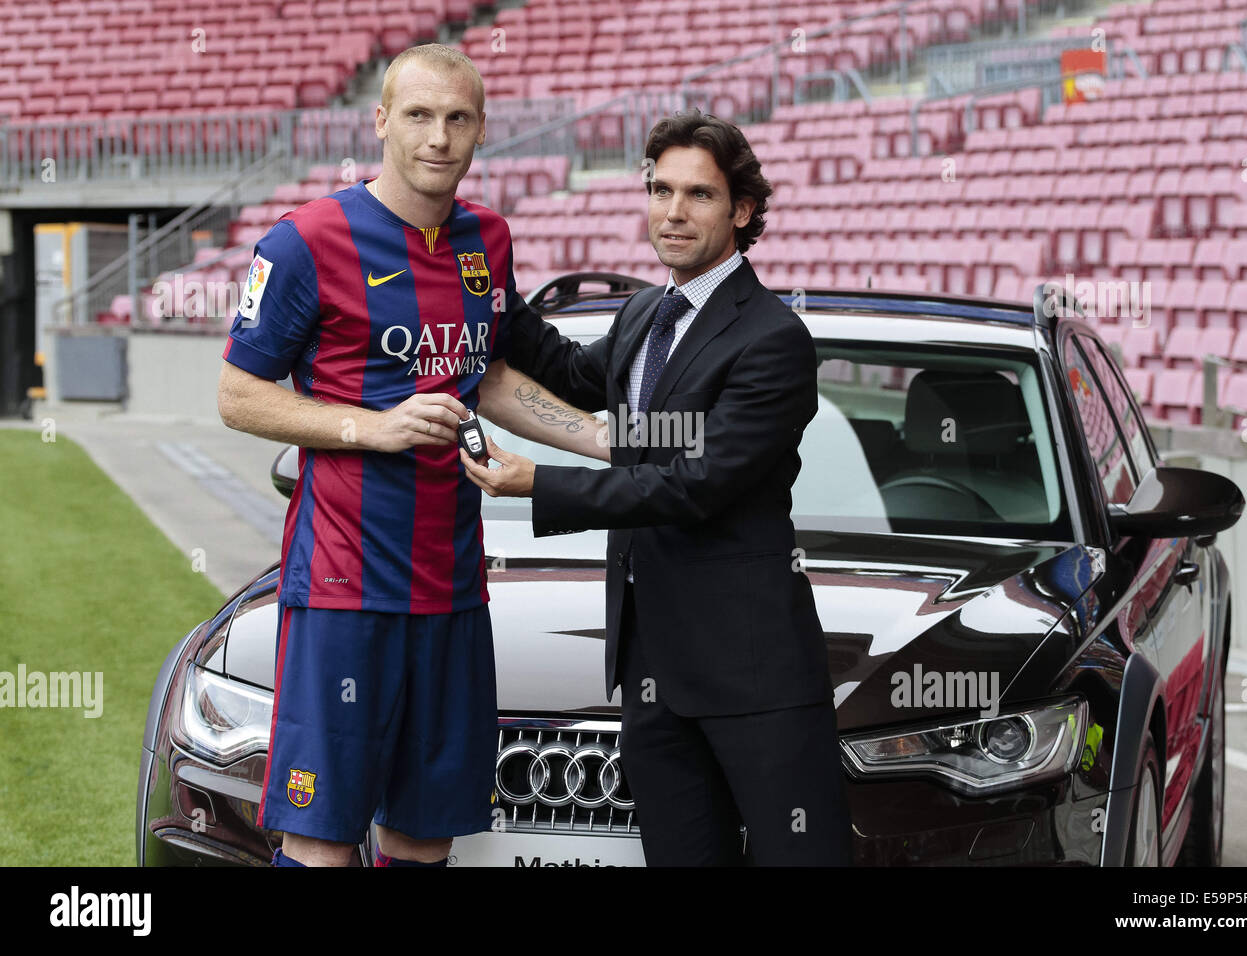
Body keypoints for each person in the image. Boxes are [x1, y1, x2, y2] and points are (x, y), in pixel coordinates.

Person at [216, 44, 608, 868]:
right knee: (321, 835)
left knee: (424, 834)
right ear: (382, 121)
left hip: (454, 584)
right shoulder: (304, 243)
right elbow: (238, 396)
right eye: (421, 116)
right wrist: (373, 426)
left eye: (458, 119)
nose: (439, 137)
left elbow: (490, 377)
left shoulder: (486, 240)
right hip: (342, 587)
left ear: (480, 131)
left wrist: (609, 441)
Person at [463, 109, 852, 866]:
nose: (673, 212)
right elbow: (573, 375)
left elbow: (694, 484)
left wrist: (538, 482)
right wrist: (483, 273)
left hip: (753, 678)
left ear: (741, 210)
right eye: (660, 190)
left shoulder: (772, 338)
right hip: (651, 673)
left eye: (698, 195)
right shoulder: (646, 311)